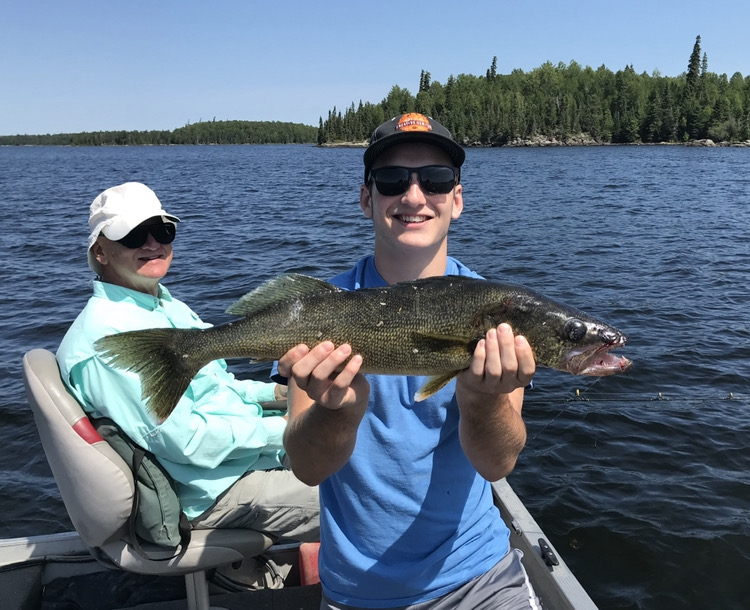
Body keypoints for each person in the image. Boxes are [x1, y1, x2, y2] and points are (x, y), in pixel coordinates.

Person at [277, 113, 539, 609]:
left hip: (480, 577)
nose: (414, 197)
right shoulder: (319, 311)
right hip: (358, 592)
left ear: (456, 200)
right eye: (393, 180)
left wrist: (482, 402)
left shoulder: (499, 311)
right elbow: (307, 469)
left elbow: (497, 463)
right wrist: (336, 412)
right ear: (366, 199)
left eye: (436, 180)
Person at [56, 181, 318, 543]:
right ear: (100, 251)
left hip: (244, 458)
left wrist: (277, 392)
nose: (153, 244)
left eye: (162, 231)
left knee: (373, 462)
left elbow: (218, 387)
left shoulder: (162, 305)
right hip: (210, 492)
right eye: (134, 236)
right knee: (366, 500)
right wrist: (290, 429)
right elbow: (185, 441)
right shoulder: (106, 340)